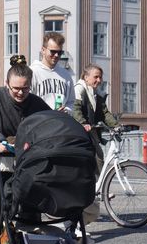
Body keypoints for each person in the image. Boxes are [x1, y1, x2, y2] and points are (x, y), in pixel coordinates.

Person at [0, 55, 50, 244]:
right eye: (15, 88)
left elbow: (49, 124)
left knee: (25, 209)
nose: (20, 93)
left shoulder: (36, 103)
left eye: (25, 88)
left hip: (21, 164)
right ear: (6, 83)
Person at [72, 64, 118, 225]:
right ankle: (89, 193)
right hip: (79, 133)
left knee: (99, 158)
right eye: (95, 77)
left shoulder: (96, 93)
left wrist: (116, 125)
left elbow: (104, 113)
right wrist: (83, 123)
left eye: (100, 77)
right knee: (88, 162)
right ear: (86, 77)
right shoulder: (79, 89)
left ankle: (96, 190)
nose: (99, 80)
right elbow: (75, 110)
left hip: (90, 134)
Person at [30, 32, 75, 112]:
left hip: (61, 121)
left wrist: (66, 110)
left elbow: (71, 102)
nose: (56, 55)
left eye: (60, 52)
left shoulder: (66, 75)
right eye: (53, 52)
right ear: (43, 50)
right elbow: (27, 100)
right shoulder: (32, 72)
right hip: (41, 121)